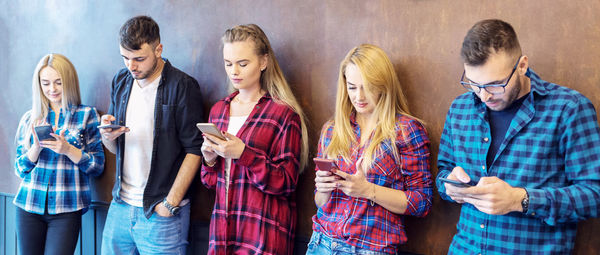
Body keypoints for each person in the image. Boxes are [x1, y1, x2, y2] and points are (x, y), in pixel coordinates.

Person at [436, 19, 600, 254]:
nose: (484, 95)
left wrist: (520, 200)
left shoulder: (569, 109)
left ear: (522, 65)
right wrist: (450, 187)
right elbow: (443, 173)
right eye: (474, 84)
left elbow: (594, 194)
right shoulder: (460, 109)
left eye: (495, 84)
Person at [308, 44, 433, 255]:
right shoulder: (332, 129)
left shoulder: (406, 130)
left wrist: (368, 190)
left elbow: (422, 202)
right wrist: (323, 188)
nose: (359, 96)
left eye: (368, 86)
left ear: (384, 85)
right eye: (352, 87)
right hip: (321, 243)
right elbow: (319, 202)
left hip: (370, 248)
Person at [200, 24, 308, 254]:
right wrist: (209, 159)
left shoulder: (282, 114)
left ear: (263, 62)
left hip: (263, 232)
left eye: (243, 63)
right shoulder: (219, 110)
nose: (234, 71)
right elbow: (210, 182)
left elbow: (287, 182)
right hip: (223, 230)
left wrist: (244, 154)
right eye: (228, 64)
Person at [100, 16, 204, 254]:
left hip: (161, 211)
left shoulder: (183, 86)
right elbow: (117, 148)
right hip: (121, 204)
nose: (131, 66)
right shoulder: (121, 80)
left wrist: (170, 203)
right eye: (125, 58)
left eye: (139, 58)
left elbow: (194, 149)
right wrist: (108, 136)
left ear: (159, 49)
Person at [14, 53, 105, 254]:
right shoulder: (30, 118)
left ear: (69, 82)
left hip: (67, 208)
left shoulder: (87, 115)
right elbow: (20, 169)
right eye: (45, 83)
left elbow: (97, 166)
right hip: (28, 204)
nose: (52, 89)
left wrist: (68, 150)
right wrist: (35, 148)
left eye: (58, 82)